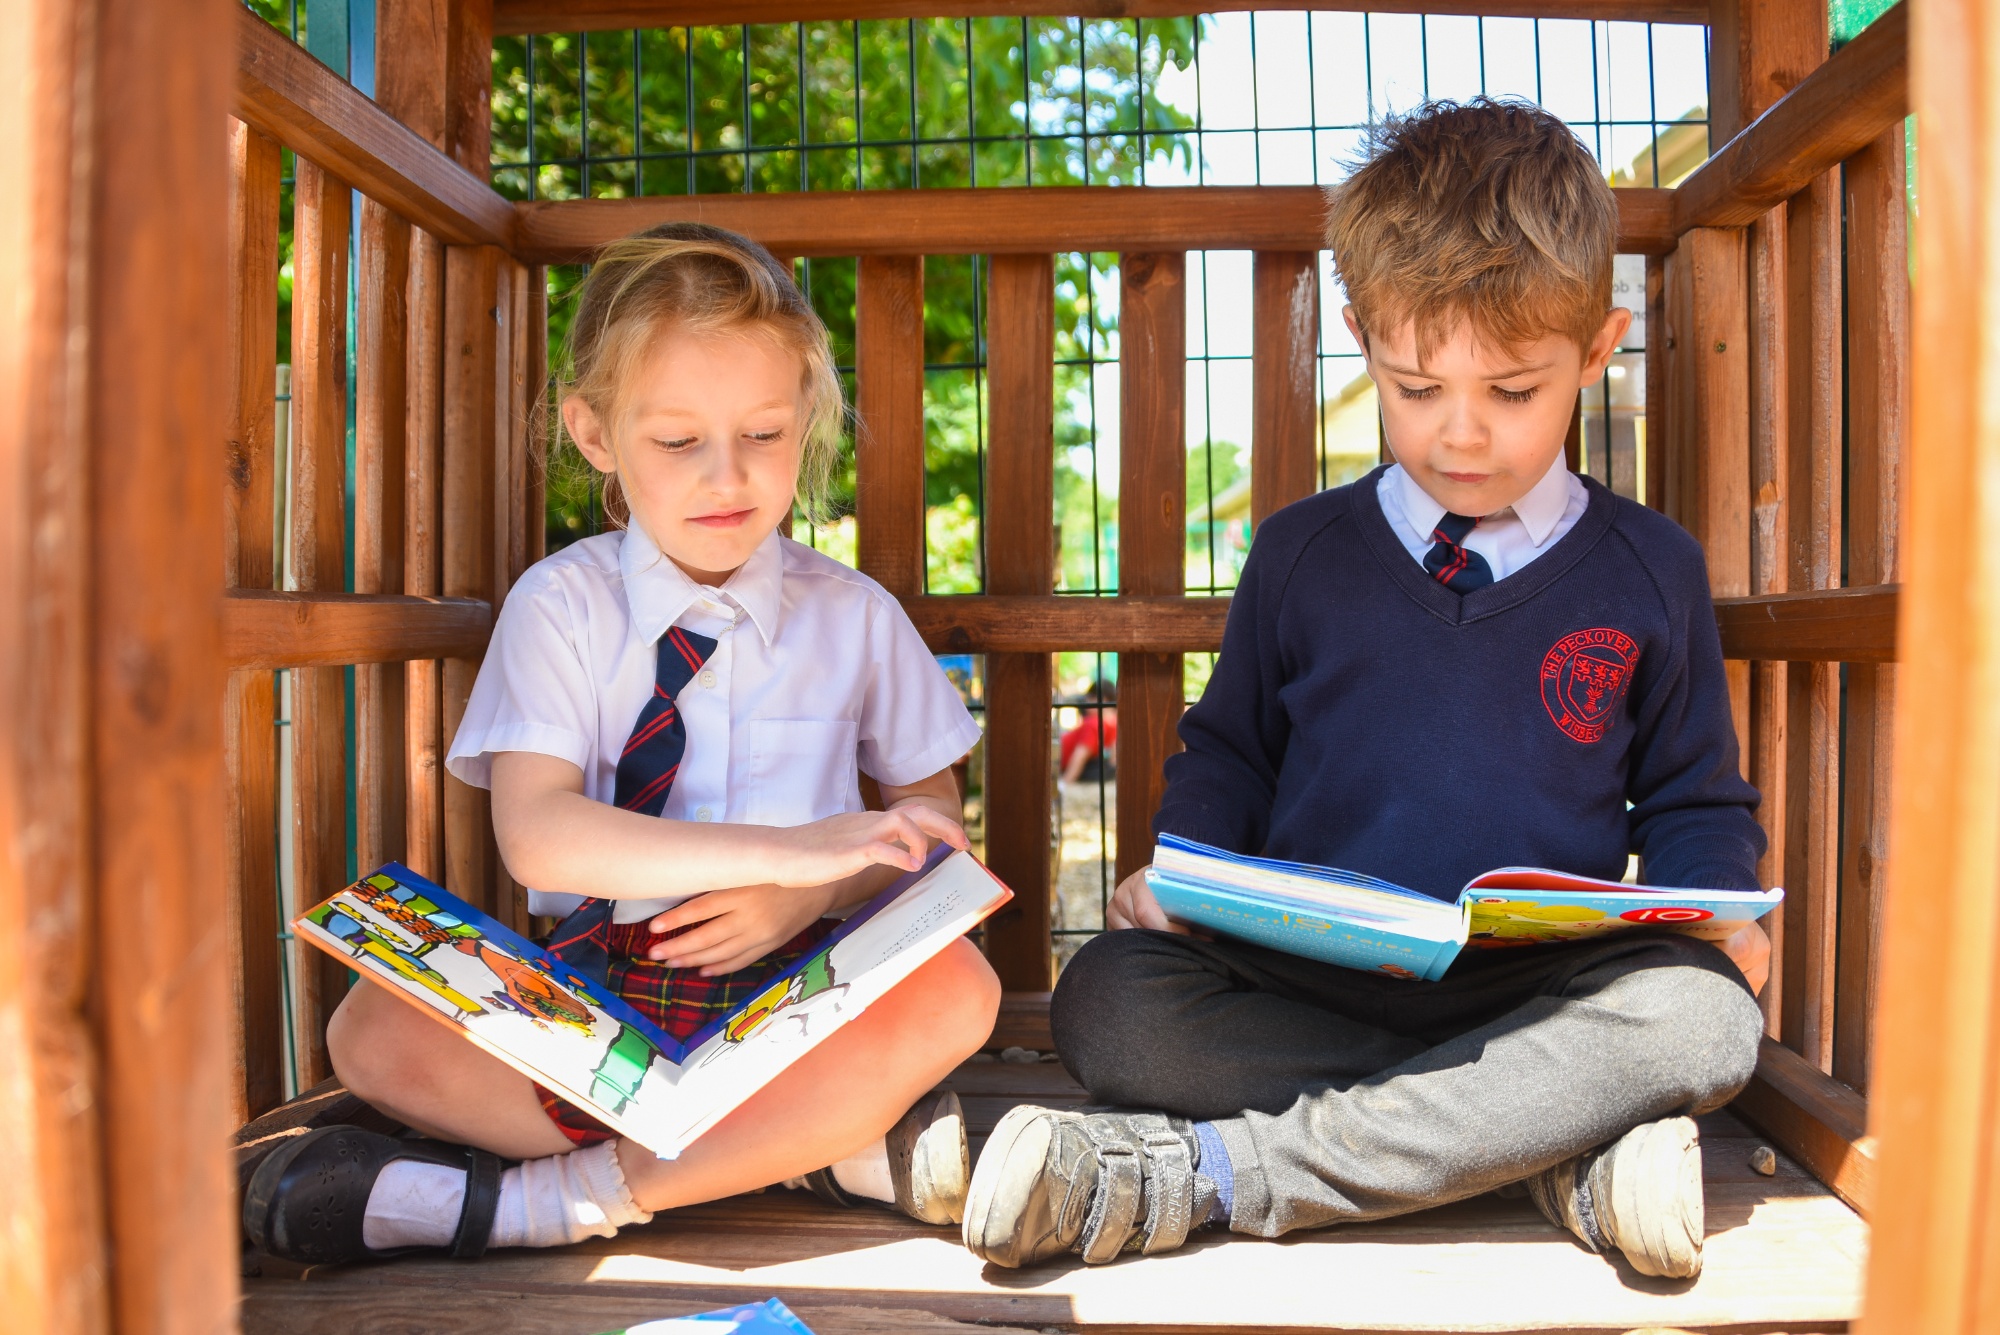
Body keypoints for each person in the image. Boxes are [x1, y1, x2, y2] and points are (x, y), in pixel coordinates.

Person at [960, 99, 1770, 1280]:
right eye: (1413, 388)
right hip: (1308, 981)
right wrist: (1180, 873)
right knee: (1109, 1002)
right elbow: (1227, 751)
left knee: (1702, 1017)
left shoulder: (1652, 570)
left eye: (1512, 391)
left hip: (1537, 991)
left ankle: (1219, 1176)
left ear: (1597, 349)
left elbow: (1693, 794)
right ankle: (1536, 1147)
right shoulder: (1299, 554)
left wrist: (1720, 911)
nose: (1461, 435)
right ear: (1358, 335)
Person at [244, 223, 1001, 1266]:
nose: (726, 476)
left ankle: (548, 1204)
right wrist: (790, 849)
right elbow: (540, 842)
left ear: (809, 425)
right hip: (594, 990)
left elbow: (936, 842)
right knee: (371, 1032)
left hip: (798, 988)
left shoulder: (855, 616)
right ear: (595, 434)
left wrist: (811, 895)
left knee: (960, 986)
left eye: (767, 434)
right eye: (678, 442)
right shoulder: (559, 605)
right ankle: (809, 1153)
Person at [1059, 679, 1118, 783]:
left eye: (1090, 698)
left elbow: (1080, 757)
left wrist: (1064, 783)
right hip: (1061, 760)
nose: (1086, 701)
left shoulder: (1095, 724)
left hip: (1064, 762)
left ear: (1101, 699)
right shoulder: (1112, 723)